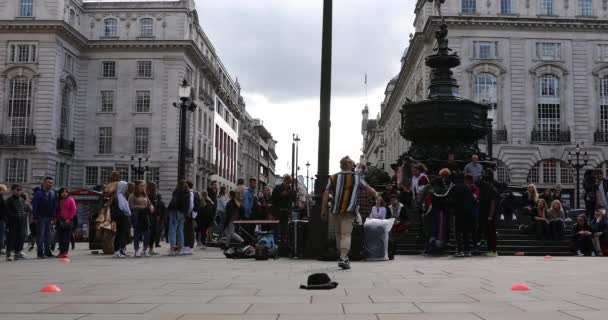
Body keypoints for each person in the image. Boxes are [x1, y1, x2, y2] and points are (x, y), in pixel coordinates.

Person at [322, 156, 378, 270]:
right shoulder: (357, 177)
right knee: (346, 235)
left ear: (341, 166)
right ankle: (343, 257)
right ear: (351, 166)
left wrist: (323, 210)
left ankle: (341, 255)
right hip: (349, 210)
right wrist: (376, 194)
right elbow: (369, 190)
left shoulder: (333, 177)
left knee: (338, 234)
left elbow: (326, 193)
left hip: (335, 210)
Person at [32, 177, 57, 258]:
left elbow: (54, 205)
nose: (50, 184)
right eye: (49, 182)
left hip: (49, 217)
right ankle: (40, 253)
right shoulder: (38, 193)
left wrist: (53, 216)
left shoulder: (53, 193)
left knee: (48, 235)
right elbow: (35, 205)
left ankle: (47, 252)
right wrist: (35, 216)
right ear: (44, 183)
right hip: (40, 217)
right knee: (40, 235)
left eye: (51, 183)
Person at [451, 176, 475, 257]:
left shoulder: (454, 187)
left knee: (458, 232)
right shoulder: (467, 188)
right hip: (467, 213)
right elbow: (472, 199)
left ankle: (459, 250)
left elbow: (450, 199)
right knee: (466, 232)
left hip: (458, 212)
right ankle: (467, 250)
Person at [168, 180, 193, 256]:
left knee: (172, 230)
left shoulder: (177, 192)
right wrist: (187, 213)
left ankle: (172, 249)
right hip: (183, 213)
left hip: (175, 212)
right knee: (180, 231)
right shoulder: (187, 193)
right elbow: (190, 205)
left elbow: (174, 202)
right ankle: (180, 249)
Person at [272, 175, 296, 252]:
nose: (288, 184)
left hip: (286, 212)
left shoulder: (290, 190)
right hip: (277, 212)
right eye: (288, 183)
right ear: (284, 181)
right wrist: (282, 195)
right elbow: (273, 199)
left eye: (290, 183)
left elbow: (293, 200)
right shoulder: (277, 188)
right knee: (277, 230)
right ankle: (275, 246)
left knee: (285, 230)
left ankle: (283, 247)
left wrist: (292, 194)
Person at [129, 182, 153, 257]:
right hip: (137, 215)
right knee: (137, 233)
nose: (143, 187)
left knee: (147, 233)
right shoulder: (132, 196)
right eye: (141, 186)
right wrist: (140, 207)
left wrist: (151, 207)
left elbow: (149, 204)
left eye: (144, 186)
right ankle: (137, 250)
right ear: (137, 187)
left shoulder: (145, 195)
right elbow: (131, 206)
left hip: (145, 215)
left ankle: (145, 249)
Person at [5, 185, 27, 261]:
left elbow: (25, 209)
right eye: (17, 190)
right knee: (11, 238)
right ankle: (9, 254)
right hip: (12, 223)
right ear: (13, 190)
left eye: (20, 190)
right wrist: (15, 216)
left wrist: (24, 215)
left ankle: (17, 253)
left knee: (21, 237)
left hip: (21, 222)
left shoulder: (22, 200)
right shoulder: (9, 200)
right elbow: (7, 212)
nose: (19, 191)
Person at [479, 169, 498, 256]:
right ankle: (491, 250)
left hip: (489, 214)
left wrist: (490, 215)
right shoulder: (491, 187)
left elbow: (493, 203)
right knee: (488, 232)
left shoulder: (490, 188)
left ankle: (493, 251)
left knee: (490, 232)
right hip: (487, 213)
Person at [112, 181, 132, 258]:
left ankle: (122, 249)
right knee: (121, 233)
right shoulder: (119, 196)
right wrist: (128, 212)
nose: (127, 188)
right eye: (126, 187)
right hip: (122, 217)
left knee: (125, 233)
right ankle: (117, 250)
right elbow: (122, 207)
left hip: (124, 216)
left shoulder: (123, 196)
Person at [56, 187, 76, 259]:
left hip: (68, 221)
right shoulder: (59, 201)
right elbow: (58, 211)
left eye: (66, 192)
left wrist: (69, 218)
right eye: (63, 192)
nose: (64, 193)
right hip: (60, 220)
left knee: (66, 238)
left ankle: (65, 252)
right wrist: (56, 219)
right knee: (60, 238)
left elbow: (73, 210)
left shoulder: (70, 199)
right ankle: (61, 252)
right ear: (60, 193)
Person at [146, 182, 165, 254]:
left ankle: (149, 248)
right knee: (152, 232)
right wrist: (158, 215)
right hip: (152, 216)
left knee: (150, 232)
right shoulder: (152, 196)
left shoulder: (153, 195)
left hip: (151, 215)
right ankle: (150, 249)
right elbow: (156, 207)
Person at [182, 181, 197, 255]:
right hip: (192, 214)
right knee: (191, 231)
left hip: (189, 214)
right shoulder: (194, 193)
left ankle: (187, 247)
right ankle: (190, 248)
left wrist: (187, 213)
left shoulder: (190, 193)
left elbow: (191, 205)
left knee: (187, 231)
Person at [0, 184, 7, 256]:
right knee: (2, 235)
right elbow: (4, 209)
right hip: (1, 219)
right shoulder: (1, 198)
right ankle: (1, 248)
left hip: (2, 218)